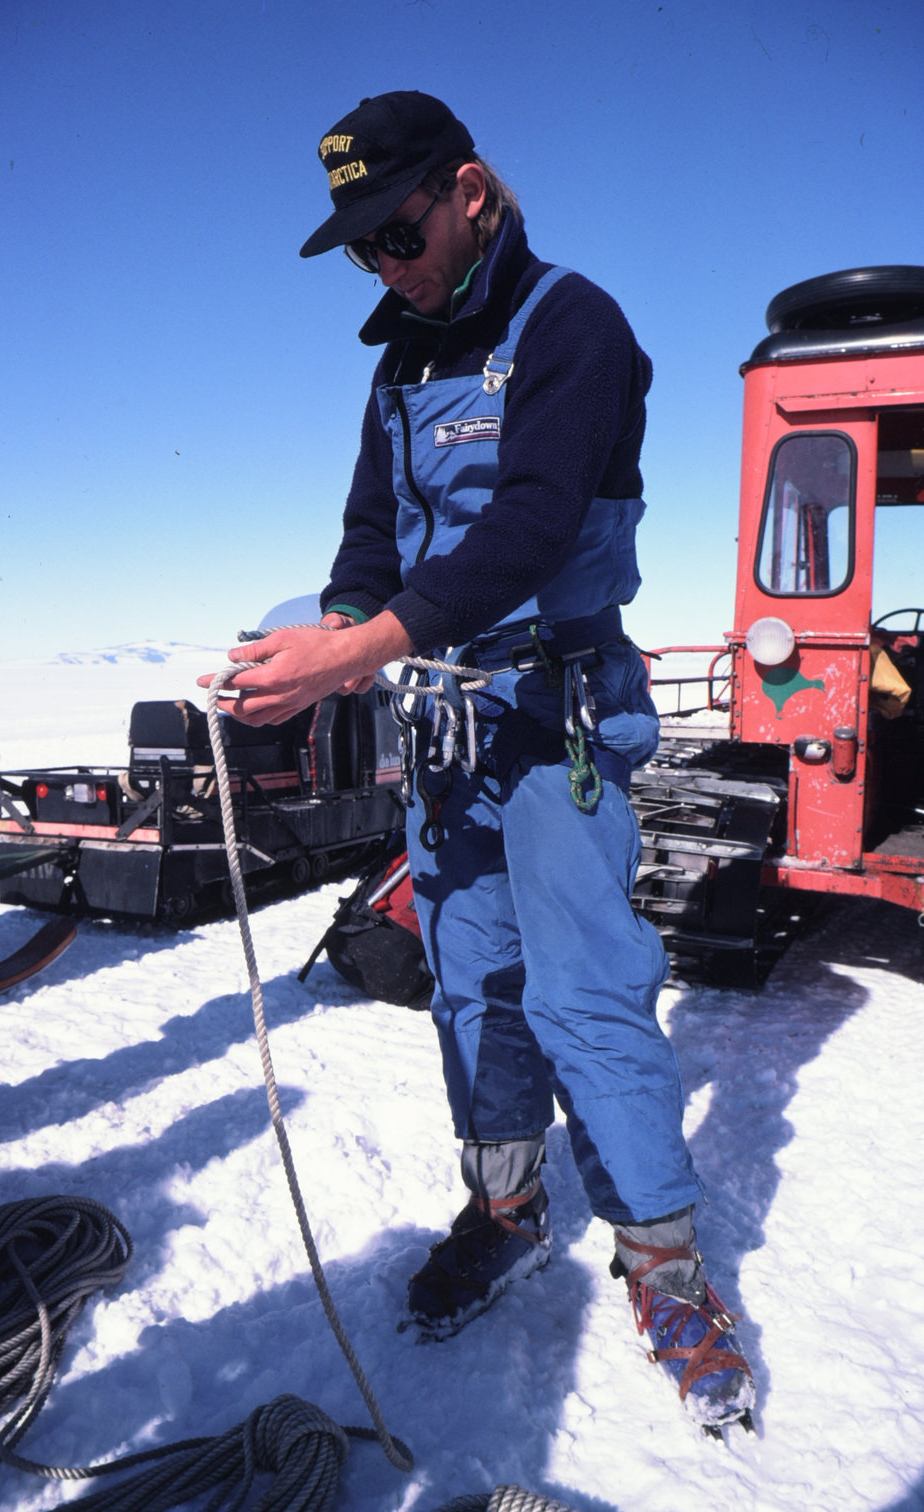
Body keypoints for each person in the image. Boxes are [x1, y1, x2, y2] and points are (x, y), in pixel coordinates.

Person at [200, 90, 754, 1429]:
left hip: (556, 714)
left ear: (468, 191)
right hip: (448, 729)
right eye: (361, 247)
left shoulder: (573, 324)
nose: (384, 265)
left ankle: (666, 1266)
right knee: (472, 988)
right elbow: (369, 539)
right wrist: (333, 637)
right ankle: (506, 1211)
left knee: (585, 992)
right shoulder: (400, 366)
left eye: (396, 231)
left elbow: (533, 526)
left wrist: (361, 646)